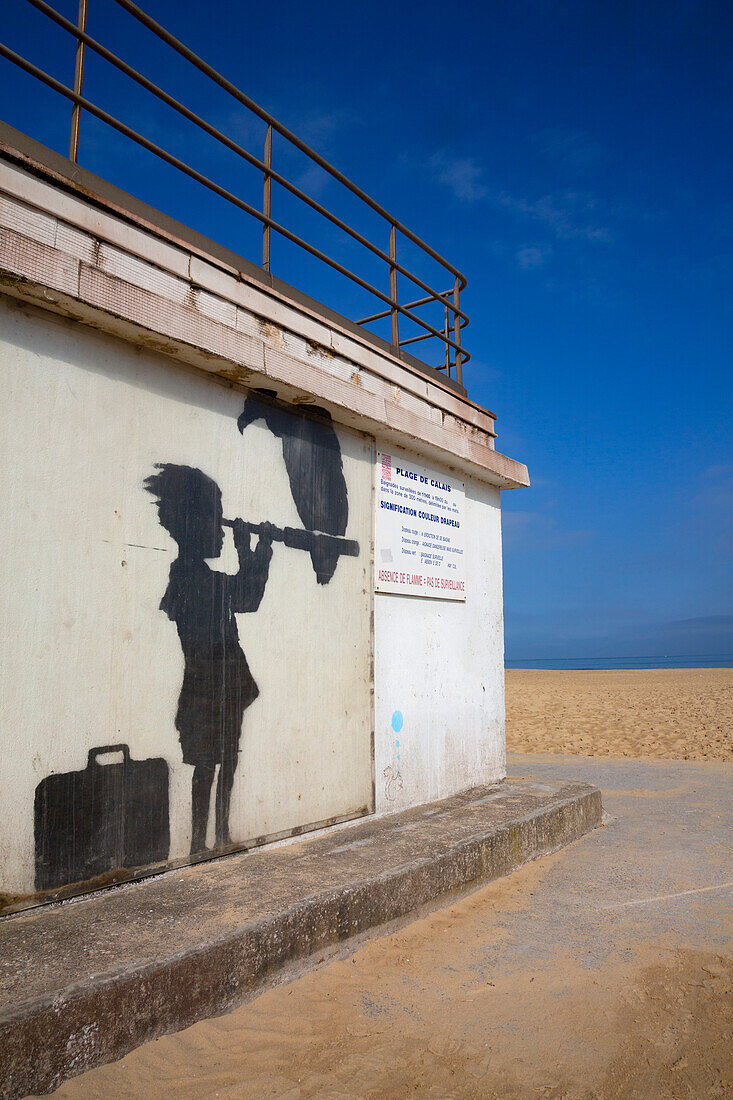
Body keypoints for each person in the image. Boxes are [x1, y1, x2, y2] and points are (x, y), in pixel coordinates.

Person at [144, 464, 273, 854]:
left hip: (220, 682)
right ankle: (204, 839)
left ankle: (216, 835)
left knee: (222, 761)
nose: (220, 531)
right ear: (191, 525)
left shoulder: (193, 575)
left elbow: (242, 596)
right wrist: (255, 548)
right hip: (210, 684)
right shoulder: (190, 576)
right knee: (209, 765)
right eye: (214, 523)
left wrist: (248, 548)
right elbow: (248, 596)